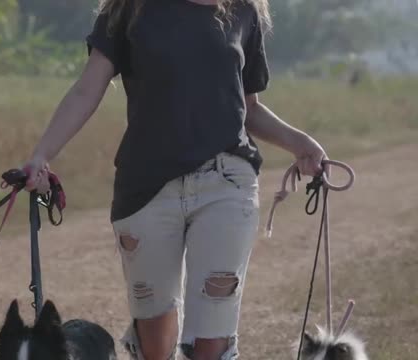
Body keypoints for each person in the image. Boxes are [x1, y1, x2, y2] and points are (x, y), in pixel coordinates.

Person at [22, 0, 327, 359]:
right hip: (146, 188)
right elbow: (87, 90)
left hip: (227, 182)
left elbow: (249, 108)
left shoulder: (244, 11)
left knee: (213, 336)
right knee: (155, 343)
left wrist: (299, 143)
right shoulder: (128, 9)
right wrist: (42, 155)